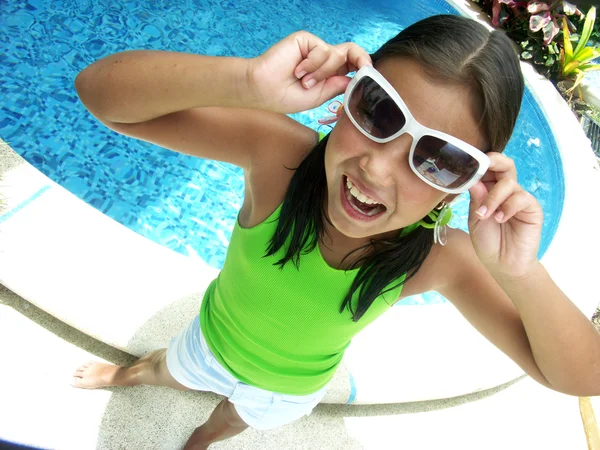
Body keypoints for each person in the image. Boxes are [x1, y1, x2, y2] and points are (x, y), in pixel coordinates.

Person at [71, 14, 600, 449]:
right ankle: (130, 374)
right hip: (213, 339)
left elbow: (578, 377)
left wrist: (522, 273)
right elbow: (101, 96)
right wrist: (248, 83)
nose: (378, 168)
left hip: (289, 388)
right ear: (345, 97)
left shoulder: (438, 257)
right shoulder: (278, 157)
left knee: (237, 419)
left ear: (465, 185)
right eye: (378, 110)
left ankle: (203, 440)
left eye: (438, 160)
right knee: (171, 369)